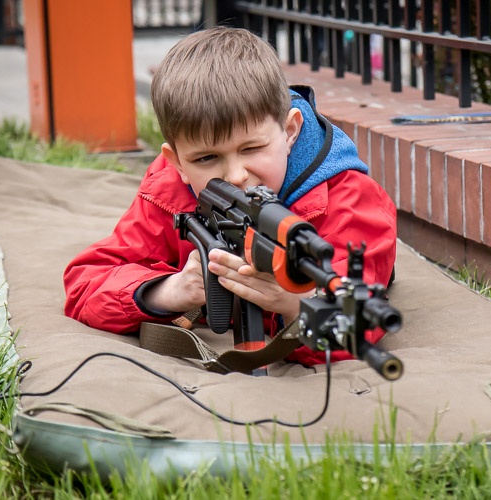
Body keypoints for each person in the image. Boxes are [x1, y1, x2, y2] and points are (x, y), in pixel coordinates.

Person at [63, 27, 397, 367]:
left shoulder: (349, 199)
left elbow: (358, 329)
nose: (236, 175)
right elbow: (86, 283)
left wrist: (295, 302)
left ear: (290, 131)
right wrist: (172, 291)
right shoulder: (170, 186)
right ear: (176, 161)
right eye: (207, 158)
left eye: (251, 148)